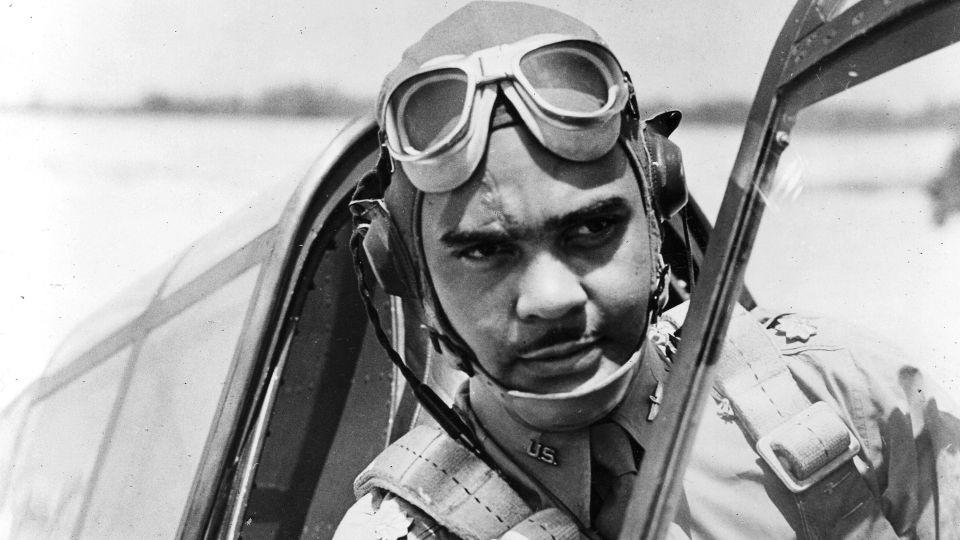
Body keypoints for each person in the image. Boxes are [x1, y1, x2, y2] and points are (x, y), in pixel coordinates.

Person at [335, 3, 959, 538]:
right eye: (483, 251)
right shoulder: (397, 530)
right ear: (411, 279)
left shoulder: (833, 389)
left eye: (593, 229)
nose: (550, 297)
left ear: (659, 221)